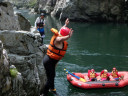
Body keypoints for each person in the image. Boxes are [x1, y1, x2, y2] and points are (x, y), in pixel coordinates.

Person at [40, 18, 73, 96]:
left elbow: (61, 30)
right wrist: (68, 37)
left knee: (52, 76)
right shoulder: (58, 39)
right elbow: (61, 38)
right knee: (50, 78)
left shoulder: (60, 36)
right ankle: (43, 94)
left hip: (53, 62)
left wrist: (65, 25)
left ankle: (52, 89)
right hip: (48, 61)